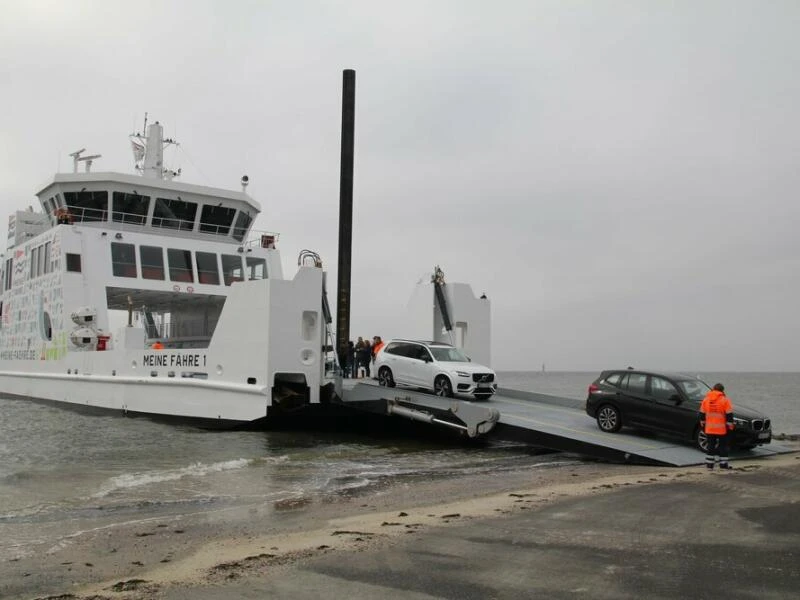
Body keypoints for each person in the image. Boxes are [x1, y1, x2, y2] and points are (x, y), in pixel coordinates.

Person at [699, 383, 734, 470]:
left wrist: (703, 425)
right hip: (721, 429)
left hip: (709, 428)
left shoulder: (706, 399)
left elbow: (702, 414)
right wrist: (730, 426)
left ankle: (710, 465)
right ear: (722, 391)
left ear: (713, 389)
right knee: (723, 446)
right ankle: (723, 465)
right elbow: (729, 415)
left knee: (710, 446)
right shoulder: (725, 400)